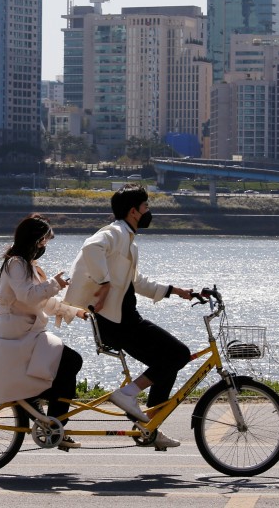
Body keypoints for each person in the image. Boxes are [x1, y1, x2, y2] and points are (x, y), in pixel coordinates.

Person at [66, 184, 197, 450]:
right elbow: (91, 248)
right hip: (119, 323)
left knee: (168, 364)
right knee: (179, 354)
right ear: (134, 211)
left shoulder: (127, 240)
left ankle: (148, 426)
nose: (149, 211)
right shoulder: (115, 233)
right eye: (146, 206)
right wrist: (102, 284)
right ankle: (127, 395)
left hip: (123, 320)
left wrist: (174, 291)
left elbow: (136, 281)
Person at [0, 213, 88, 451]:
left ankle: (45, 416)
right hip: (17, 336)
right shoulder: (16, 264)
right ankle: (53, 425)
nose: (45, 246)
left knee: (69, 363)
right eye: (44, 242)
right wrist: (55, 284)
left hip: (28, 334)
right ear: (35, 239)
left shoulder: (27, 265)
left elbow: (41, 302)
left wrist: (75, 311)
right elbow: (29, 296)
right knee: (70, 361)